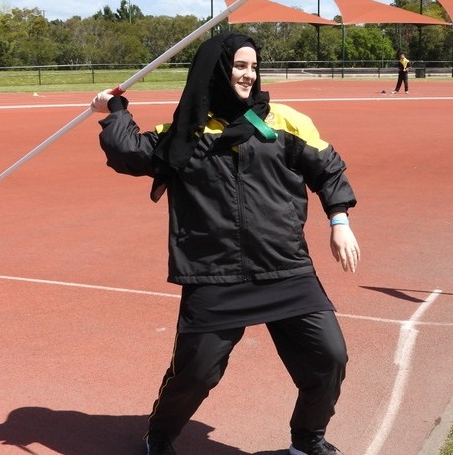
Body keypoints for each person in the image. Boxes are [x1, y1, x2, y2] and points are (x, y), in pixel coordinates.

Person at [91, 32, 360, 455]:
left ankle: (307, 442)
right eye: (239, 65)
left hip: (285, 268)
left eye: (253, 66)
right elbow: (128, 153)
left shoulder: (284, 122)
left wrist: (339, 219)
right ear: (216, 70)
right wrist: (114, 110)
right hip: (213, 273)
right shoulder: (183, 132)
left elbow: (326, 170)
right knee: (195, 373)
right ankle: (158, 438)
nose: (248, 74)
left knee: (329, 357)